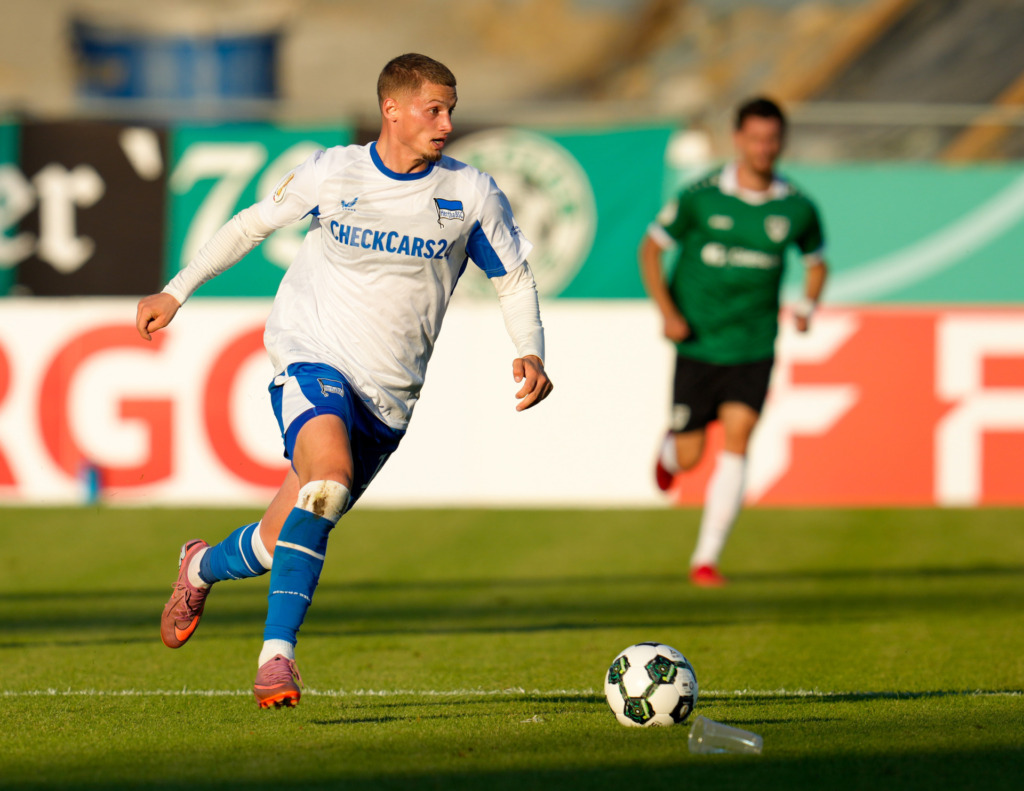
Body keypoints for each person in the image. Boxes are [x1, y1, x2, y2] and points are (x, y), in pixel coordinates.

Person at [136, 53, 553, 708]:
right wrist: (175, 290)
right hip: (312, 353)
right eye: (433, 109)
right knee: (327, 477)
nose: (446, 122)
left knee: (284, 537)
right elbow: (251, 224)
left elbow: (513, 276)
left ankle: (197, 566)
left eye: (450, 109)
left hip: (389, 398)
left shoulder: (469, 193)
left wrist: (531, 348)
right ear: (392, 110)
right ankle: (277, 658)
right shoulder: (335, 172)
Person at [639, 97, 827, 587]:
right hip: (699, 342)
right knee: (691, 455)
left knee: (740, 438)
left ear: (781, 142)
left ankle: (706, 558)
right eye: (755, 138)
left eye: (772, 139)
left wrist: (807, 304)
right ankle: (668, 453)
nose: (764, 148)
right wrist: (668, 312)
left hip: (754, 344)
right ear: (738, 139)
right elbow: (652, 247)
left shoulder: (798, 207)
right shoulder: (701, 196)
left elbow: (816, 261)